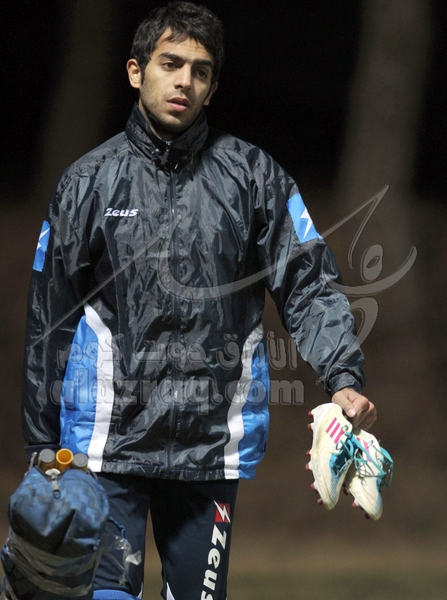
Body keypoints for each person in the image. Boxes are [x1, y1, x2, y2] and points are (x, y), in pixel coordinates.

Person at [22, 2, 376, 599]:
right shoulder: (86, 183)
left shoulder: (256, 179)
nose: (184, 80)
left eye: (201, 71)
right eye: (170, 63)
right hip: (105, 445)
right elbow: (48, 321)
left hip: (211, 446)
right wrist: (40, 444)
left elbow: (309, 283)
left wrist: (342, 377)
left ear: (213, 88)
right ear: (136, 71)